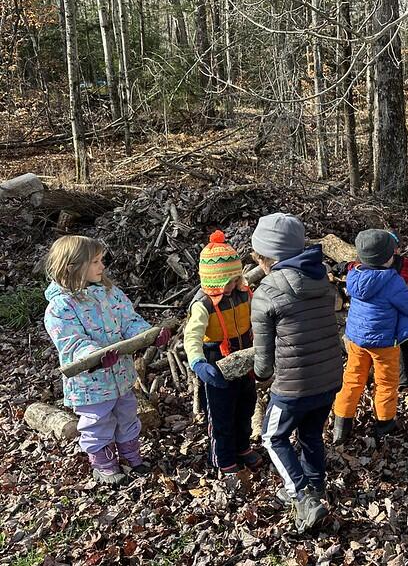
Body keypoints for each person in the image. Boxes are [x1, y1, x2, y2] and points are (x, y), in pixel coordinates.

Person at [43, 235, 171, 485]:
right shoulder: (60, 308)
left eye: (102, 260)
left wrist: (148, 336)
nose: (102, 267)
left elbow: (129, 321)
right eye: (95, 262)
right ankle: (104, 465)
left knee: (127, 415)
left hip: (121, 376)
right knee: (97, 421)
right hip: (90, 385)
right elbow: (72, 342)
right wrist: (95, 357)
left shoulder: (110, 293)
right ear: (72, 267)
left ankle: (132, 457)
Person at [249, 213, 342, 533]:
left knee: (272, 437)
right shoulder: (320, 275)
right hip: (329, 378)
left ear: (265, 257)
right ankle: (316, 485)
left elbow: (263, 359)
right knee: (311, 433)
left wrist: (259, 376)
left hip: (292, 385)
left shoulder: (266, 291)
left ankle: (302, 496)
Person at [332, 230, 408, 444]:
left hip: (355, 338)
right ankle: (385, 424)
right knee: (386, 383)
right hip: (383, 343)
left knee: (352, 379)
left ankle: (341, 425)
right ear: (389, 257)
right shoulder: (392, 281)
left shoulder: (354, 275)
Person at [184, 230, 261, 478]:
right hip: (216, 360)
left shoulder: (243, 293)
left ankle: (242, 446)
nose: (231, 285)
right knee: (220, 414)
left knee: (246, 406)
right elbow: (192, 336)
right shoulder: (203, 304)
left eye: (235, 279)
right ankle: (223, 457)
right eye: (226, 281)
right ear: (213, 281)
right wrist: (198, 363)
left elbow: (257, 319)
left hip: (245, 355)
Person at [333, 231, 408, 388]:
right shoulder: (400, 267)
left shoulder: (361, 272)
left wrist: (342, 267)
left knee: (404, 344)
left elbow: (353, 266)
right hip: (403, 309)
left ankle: (405, 381)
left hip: (378, 325)